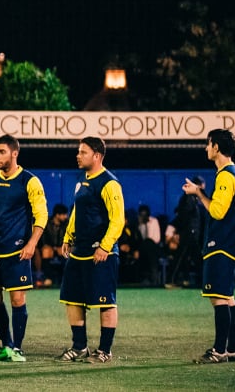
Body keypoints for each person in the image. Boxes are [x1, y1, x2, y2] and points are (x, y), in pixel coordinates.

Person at [0, 134, 47, 363]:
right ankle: (6, 345)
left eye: (2, 152)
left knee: (17, 299)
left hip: (16, 250)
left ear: (15, 153)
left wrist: (32, 243)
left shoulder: (29, 181)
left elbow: (41, 215)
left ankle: (17, 348)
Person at [57, 136, 124, 364]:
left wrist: (105, 246)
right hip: (80, 250)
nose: (78, 155)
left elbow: (118, 220)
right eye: (78, 151)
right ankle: (79, 347)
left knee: (105, 302)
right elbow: (77, 210)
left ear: (97, 156)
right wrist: (68, 236)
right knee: (72, 299)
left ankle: (104, 350)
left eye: (83, 152)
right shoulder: (82, 179)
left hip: (101, 252)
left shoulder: (109, 183)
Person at [183, 129, 235, 364]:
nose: (206, 148)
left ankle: (219, 351)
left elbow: (218, 211)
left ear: (216, 147)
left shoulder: (226, 176)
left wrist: (200, 194)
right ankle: (233, 350)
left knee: (219, 298)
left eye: (208, 144)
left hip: (221, 245)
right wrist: (199, 191)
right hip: (228, 245)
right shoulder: (231, 174)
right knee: (228, 298)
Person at [38, 204, 70, 287]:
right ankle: (48, 278)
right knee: (46, 251)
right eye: (64, 214)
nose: (66, 216)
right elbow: (43, 240)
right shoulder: (47, 223)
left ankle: (65, 278)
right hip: (50, 247)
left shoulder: (67, 223)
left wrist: (62, 247)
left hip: (62, 247)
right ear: (57, 215)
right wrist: (53, 247)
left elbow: (70, 238)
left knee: (66, 251)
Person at [135, 204, 162, 286]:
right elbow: (139, 240)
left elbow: (157, 238)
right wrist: (140, 225)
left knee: (148, 243)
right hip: (143, 249)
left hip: (154, 247)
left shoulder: (154, 221)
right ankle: (143, 279)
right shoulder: (139, 224)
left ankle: (153, 279)